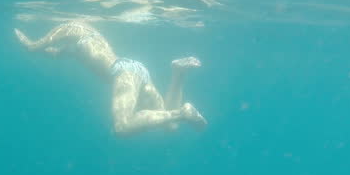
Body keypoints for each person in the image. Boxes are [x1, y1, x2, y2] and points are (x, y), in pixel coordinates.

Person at [14, 21, 207, 136]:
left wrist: (27, 43)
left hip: (123, 73)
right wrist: (42, 50)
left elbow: (35, 46)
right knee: (170, 127)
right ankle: (178, 73)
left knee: (122, 127)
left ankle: (182, 113)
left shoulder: (70, 28)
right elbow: (55, 53)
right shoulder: (84, 39)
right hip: (136, 69)